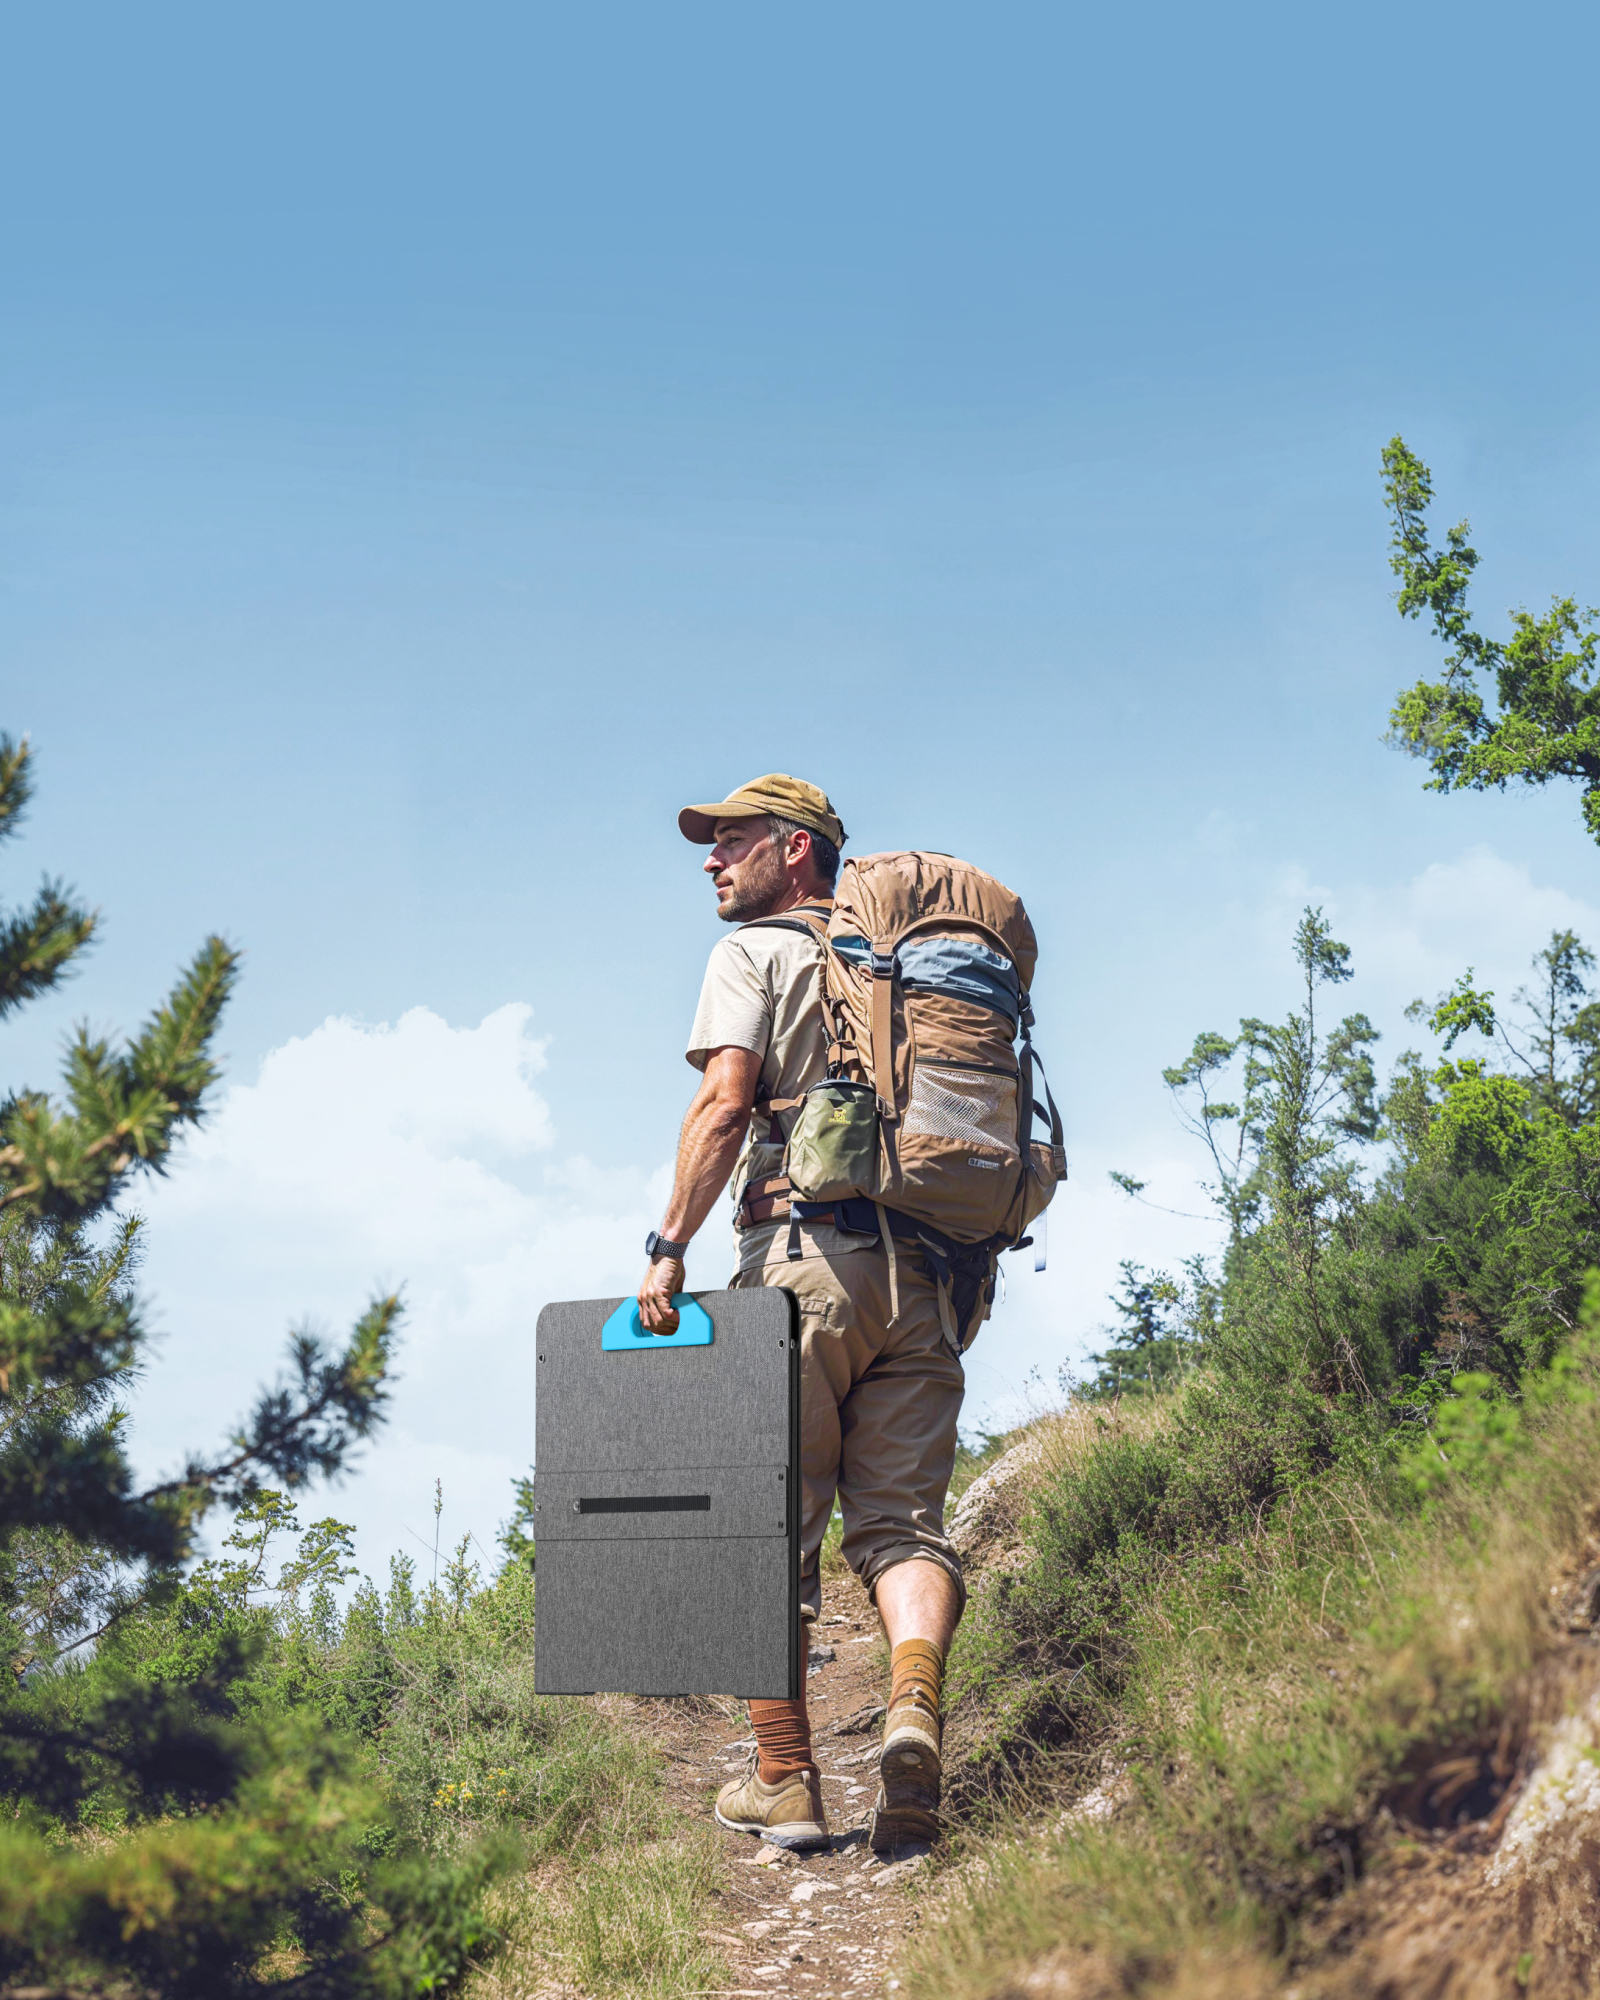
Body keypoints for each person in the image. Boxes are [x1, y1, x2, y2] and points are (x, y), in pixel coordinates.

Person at [637, 774, 967, 1855]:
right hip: (922, 1280)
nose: (710, 858)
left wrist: (669, 1244)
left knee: (757, 1537)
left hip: (800, 1265)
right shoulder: (914, 964)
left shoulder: (756, 953)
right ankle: (913, 1704)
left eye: (730, 839)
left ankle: (786, 1782)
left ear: (795, 848)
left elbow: (726, 1101)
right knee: (905, 1527)